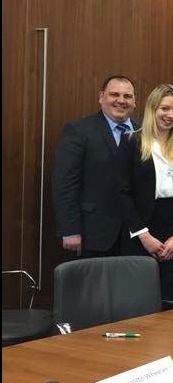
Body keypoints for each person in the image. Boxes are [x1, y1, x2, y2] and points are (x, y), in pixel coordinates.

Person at [117, 83, 173, 303]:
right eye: (164, 108)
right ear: (153, 109)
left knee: (172, 297)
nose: (170, 115)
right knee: (137, 299)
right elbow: (122, 193)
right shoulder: (131, 141)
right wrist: (144, 235)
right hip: (140, 230)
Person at [53, 75, 137, 257]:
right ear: (101, 97)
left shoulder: (145, 132)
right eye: (114, 94)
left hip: (135, 235)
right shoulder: (78, 131)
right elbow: (65, 184)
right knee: (94, 286)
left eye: (127, 96)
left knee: (129, 286)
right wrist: (70, 229)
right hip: (93, 233)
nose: (121, 101)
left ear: (134, 101)